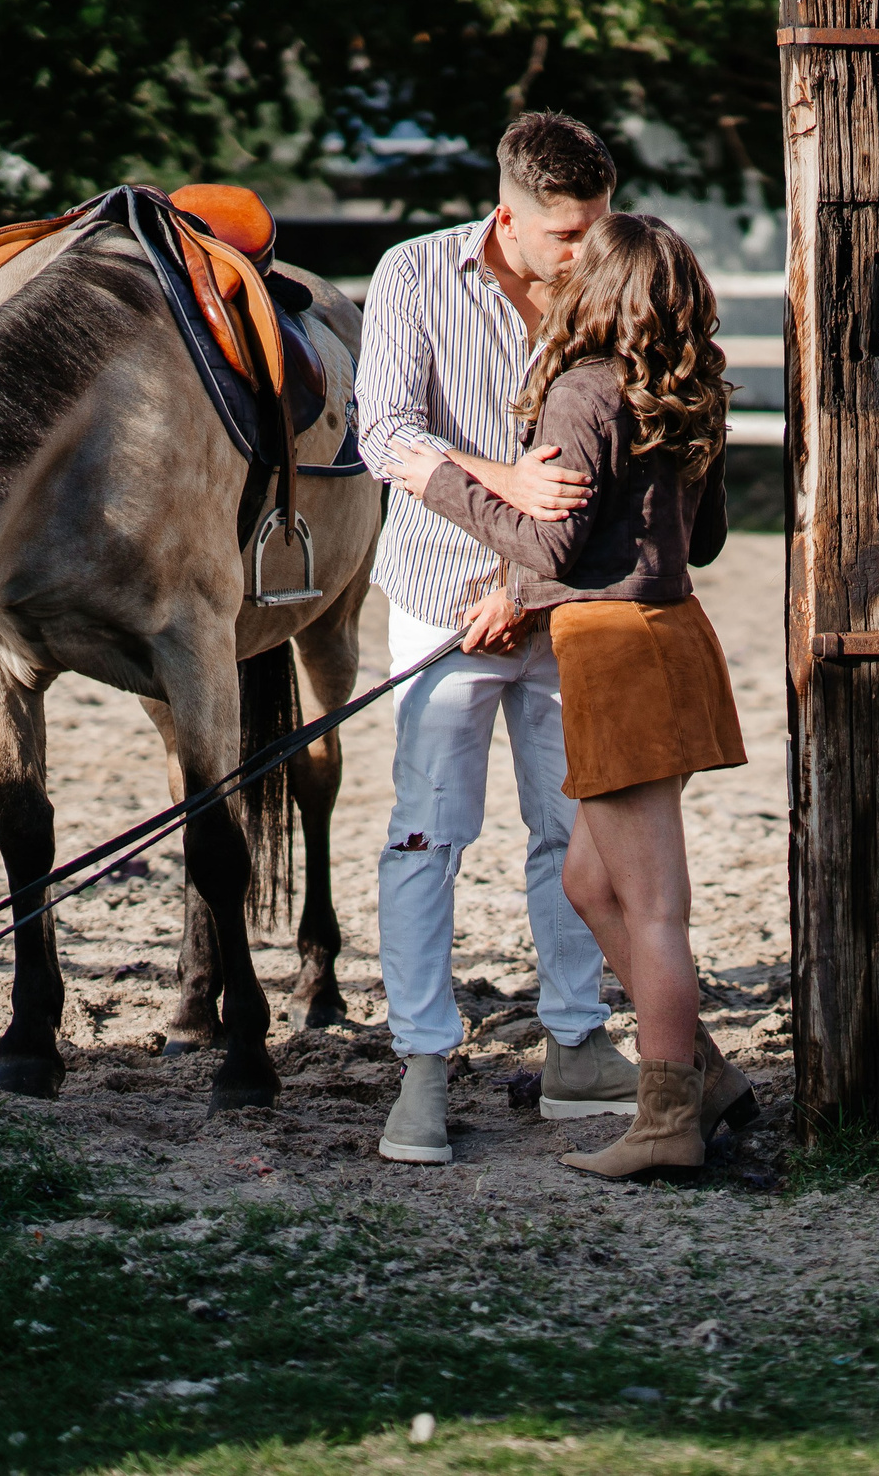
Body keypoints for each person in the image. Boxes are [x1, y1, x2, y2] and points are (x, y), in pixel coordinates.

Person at [391, 211, 755, 1180]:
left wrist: (438, 480)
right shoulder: (692, 391)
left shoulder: (581, 390)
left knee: (652, 909)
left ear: (593, 288)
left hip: (615, 656)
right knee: (587, 883)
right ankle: (706, 1075)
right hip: (673, 639)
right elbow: (704, 539)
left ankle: (667, 1119)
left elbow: (549, 545)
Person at [353, 112, 641, 1166]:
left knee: (573, 829)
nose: (586, 247)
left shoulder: (614, 275)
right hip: (440, 596)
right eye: (566, 232)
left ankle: (576, 1043)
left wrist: (526, 581)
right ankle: (423, 1064)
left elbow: (627, 443)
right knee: (427, 832)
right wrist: (505, 480)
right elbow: (384, 434)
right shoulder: (414, 274)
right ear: (506, 218)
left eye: (598, 223)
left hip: (567, 601)